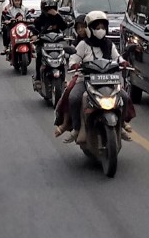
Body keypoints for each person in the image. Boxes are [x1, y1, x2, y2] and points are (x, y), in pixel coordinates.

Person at [55, 10, 132, 143]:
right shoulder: (83, 44)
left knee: (124, 97)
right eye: (97, 27)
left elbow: (117, 57)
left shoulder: (109, 44)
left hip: (108, 80)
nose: (100, 30)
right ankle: (76, 128)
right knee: (74, 98)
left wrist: (123, 62)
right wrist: (74, 65)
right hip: (86, 80)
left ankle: (121, 124)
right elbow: (73, 59)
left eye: (103, 27)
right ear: (90, 29)